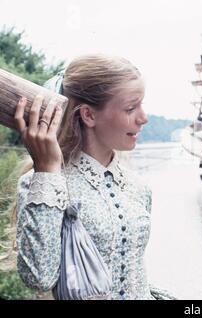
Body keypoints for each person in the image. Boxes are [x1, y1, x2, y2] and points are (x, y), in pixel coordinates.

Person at [12, 54, 174, 300]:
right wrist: (46, 170)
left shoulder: (138, 188)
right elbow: (38, 278)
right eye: (131, 108)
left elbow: (133, 272)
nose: (144, 118)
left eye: (142, 105)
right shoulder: (42, 185)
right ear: (88, 115)